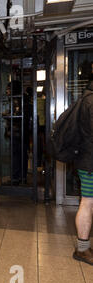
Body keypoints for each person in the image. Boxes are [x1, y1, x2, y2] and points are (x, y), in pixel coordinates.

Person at [72, 74, 93, 265]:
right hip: (89, 163)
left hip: (85, 160)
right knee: (87, 203)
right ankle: (82, 248)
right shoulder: (90, 102)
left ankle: (84, 247)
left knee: (88, 202)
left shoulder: (84, 99)